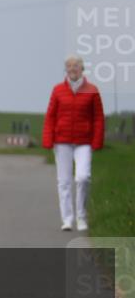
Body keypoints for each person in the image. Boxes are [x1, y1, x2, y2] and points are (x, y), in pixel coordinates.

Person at [42, 56, 105, 231]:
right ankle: (68, 219)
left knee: (83, 177)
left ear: (82, 68)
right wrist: (48, 139)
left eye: (76, 65)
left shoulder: (92, 90)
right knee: (64, 181)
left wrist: (97, 140)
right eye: (69, 66)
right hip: (62, 141)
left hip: (84, 141)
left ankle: (82, 217)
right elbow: (51, 116)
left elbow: (98, 118)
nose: (72, 68)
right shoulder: (58, 90)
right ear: (65, 69)